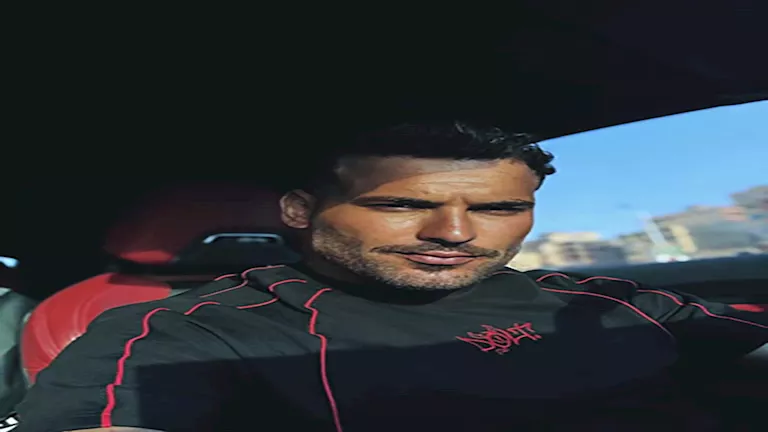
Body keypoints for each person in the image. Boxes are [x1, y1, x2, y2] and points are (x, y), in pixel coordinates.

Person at [14, 122, 768, 431]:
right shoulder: (193, 332)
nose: (456, 234)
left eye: (499, 208)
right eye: (402, 205)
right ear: (301, 211)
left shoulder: (591, 297)